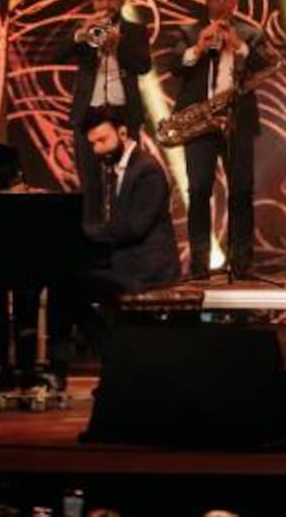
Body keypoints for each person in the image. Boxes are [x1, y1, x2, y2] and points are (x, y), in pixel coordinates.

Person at [47, 106, 181, 388]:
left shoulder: (147, 170)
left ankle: (107, 357)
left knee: (67, 286)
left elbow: (133, 228)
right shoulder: (122, 168)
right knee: (64, 282)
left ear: (122, 133)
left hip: (148, 269)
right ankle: (80, 363)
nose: (97, 149)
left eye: (102, 140)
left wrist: (84, 233)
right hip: (129, 262)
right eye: (93, 143)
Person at [170, 0, 273, 279]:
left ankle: (241, 263)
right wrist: (198, 48)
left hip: (237, 120)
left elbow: (266, 64)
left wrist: (239, 46)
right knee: (199, 189)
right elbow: (174, 66)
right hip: (199, 121)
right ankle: (200, 263)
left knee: (241, 190)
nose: (221, 2)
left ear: (235, 1)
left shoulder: (250, 33)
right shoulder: (189, 32)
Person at [56, 0, 152, 220]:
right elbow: (57, 55)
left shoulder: (135, 30)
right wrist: (81, 34)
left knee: (125, 185)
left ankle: (122, 240)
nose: (105, 5)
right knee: (90, 187)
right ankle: (92, 240)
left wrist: (119, 44)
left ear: (122, 0)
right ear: (92, 1)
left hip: (123, 114)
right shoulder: (84, 29)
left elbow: (143, 66)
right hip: (88, 113)